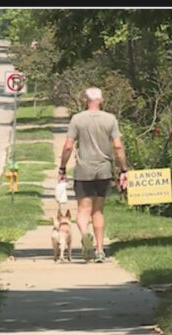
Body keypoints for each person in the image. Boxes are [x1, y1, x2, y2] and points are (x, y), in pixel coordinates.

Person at [58, 87, 129, 263]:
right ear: (101, 101)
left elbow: (68, 146)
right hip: (104, 171)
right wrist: (124, 169)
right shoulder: (110, 119)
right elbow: (118, 146)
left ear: (85, 101)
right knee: (98, 211)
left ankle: (85, 235)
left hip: (83, 171)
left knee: (83, 210)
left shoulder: (77, 119)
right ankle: (99, 250)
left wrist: (62, 168)